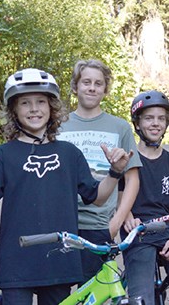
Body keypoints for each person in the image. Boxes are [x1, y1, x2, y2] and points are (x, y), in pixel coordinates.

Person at [0, 68, 133, 305]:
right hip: (17, 260)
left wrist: (115, 171)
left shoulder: (69, 153)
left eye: (41, 101)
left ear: (52, 106)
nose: (34, 109)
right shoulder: (3, 155)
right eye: (25, 103)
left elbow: (98, 197)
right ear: (14, 110)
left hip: (58, 261)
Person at [58, 59, 142, 283]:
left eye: (98, 83)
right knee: (58, 295)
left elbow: (132, 180)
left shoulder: (120, 127)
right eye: (86, 82)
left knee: (93, 294)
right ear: (75, 87)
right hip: (62, 222)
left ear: (106, 89)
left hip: (99, 226)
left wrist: (115, 223)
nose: (92, 88)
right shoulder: (57, 126)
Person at [120, 91, 169, 305]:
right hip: (139, 233)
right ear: (138, 123)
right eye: (149, 118)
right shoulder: (128, 160)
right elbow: (120, 197)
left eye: (161, 118)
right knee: (142, 299)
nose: (155, 123)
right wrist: (128, 217)